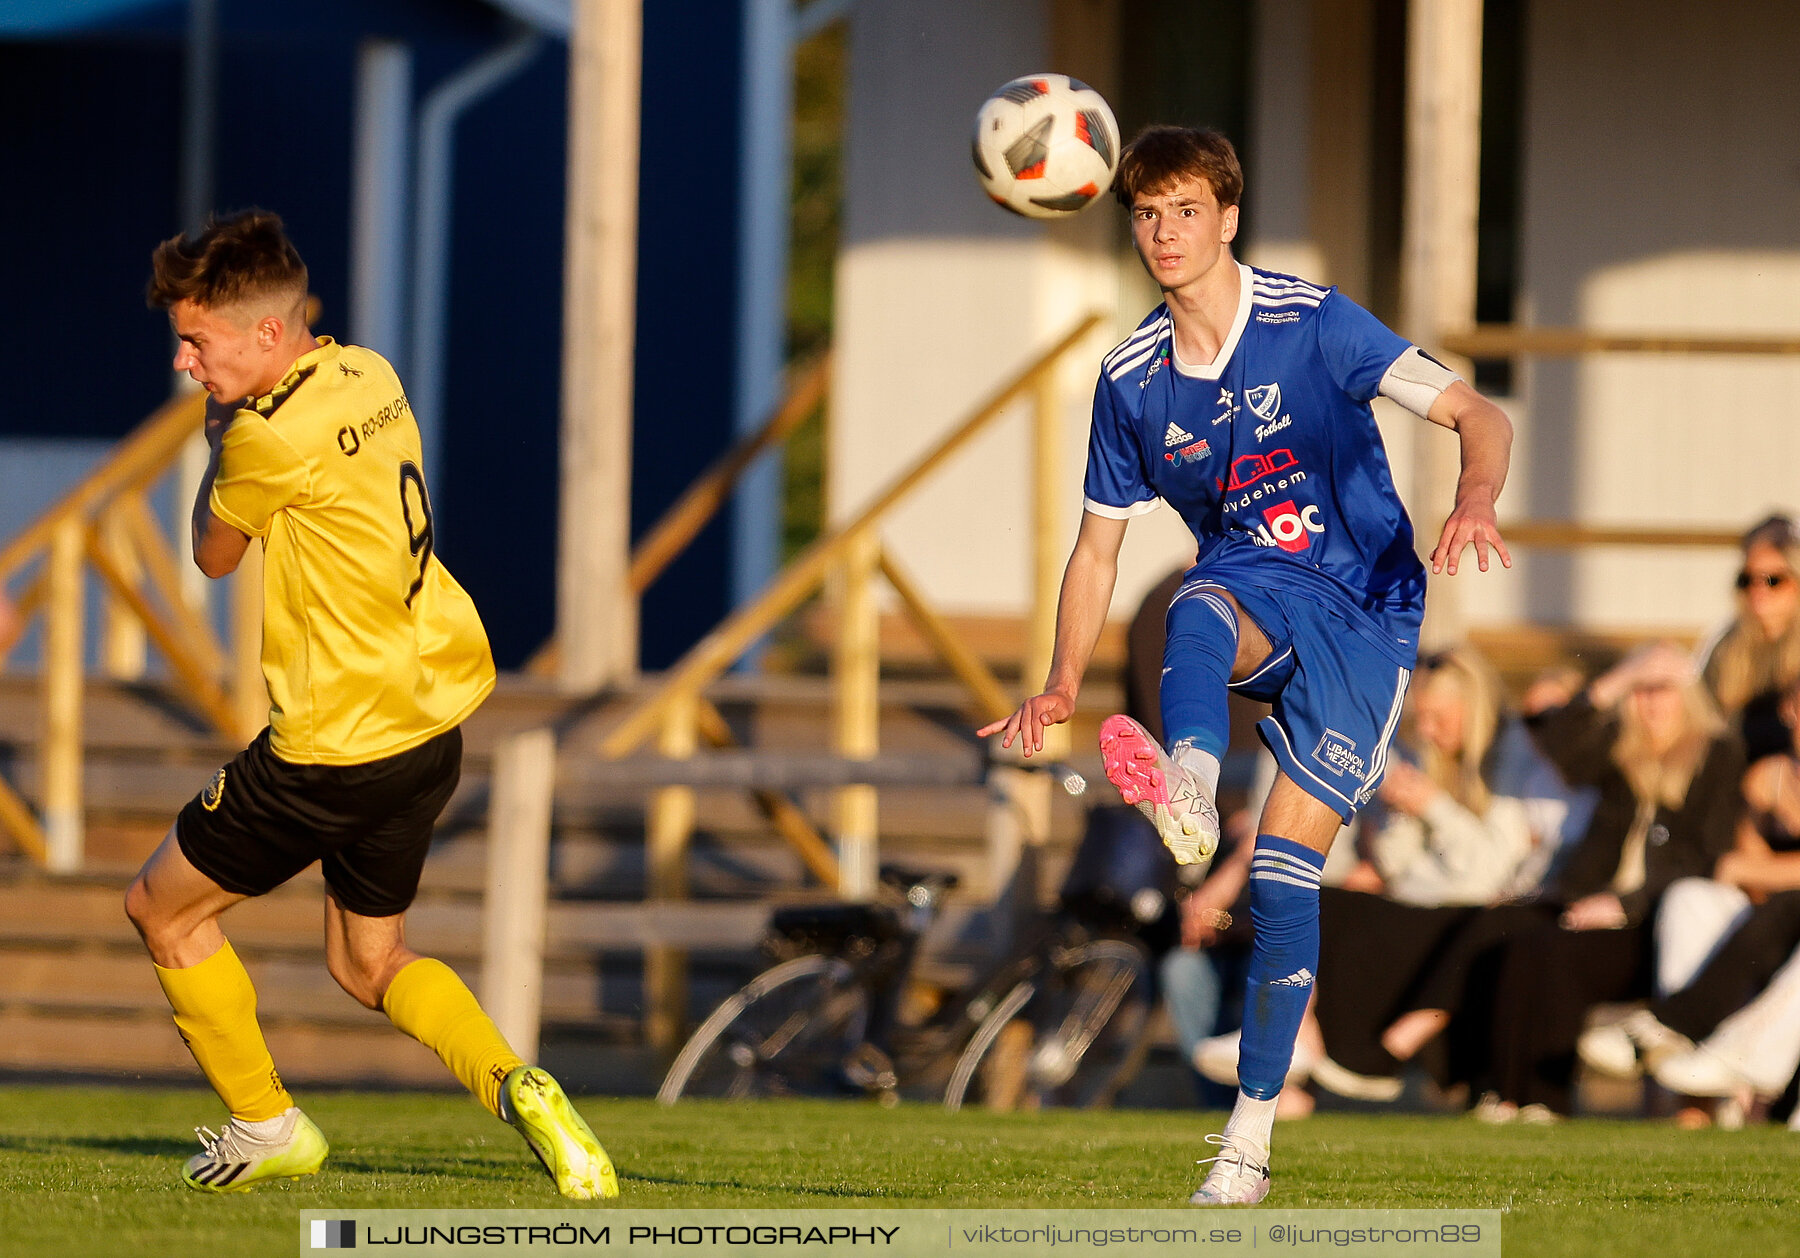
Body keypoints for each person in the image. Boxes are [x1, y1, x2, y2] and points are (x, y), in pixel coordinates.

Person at [978, 127, 1512, 1204]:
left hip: (1369, 613)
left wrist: (1475, 498)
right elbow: (1096, 550)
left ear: (1227, 217)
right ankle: (1189, 776)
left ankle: (1249, 1141)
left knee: (1280, 880)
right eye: (1145, 214)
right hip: (1253, 588)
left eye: (1186, 211)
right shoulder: (1129, 382)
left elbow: (1475, 410)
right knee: (1200, 597)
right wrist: (1060, 685)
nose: (1166, 233)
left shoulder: (1312, 324)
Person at [122, 211, 617, 1199]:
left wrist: (221, 433)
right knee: (370, 957)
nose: (185, 362)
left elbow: (211, 556)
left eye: (198, 341)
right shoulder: (370, 374)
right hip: (430, 723)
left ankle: (267, 1123)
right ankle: (519, 1085)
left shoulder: (265, 435)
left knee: (162, 910)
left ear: (267, 333)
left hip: (331, 747)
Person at [1379, 643, 1743, 1120]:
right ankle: (1500, 1091)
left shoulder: (1717, 755)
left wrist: (1625, 905)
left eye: (1663, 690)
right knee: (1507, 929)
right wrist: (1624, 673)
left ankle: (1541, 1098)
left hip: (1648, 919)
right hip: (1582, 898)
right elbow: (1557, 738)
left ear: (1688, 696)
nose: (1650, 702)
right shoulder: (1622, 754)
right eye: (1642, 691)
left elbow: (1704, 857)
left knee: (1549, 954)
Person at [1698, 513, 1800, 762]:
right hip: (1736, 783)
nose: (1758, 590)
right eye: (1748, 580)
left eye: (1773, 580)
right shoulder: (1726, 646)